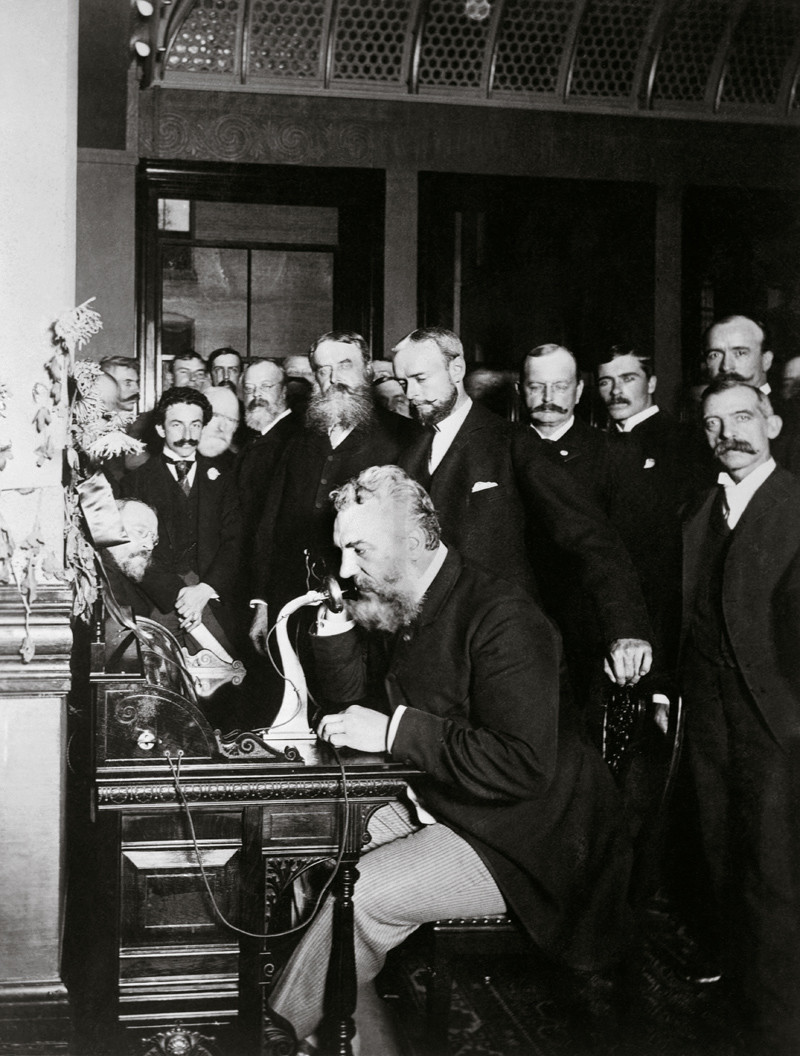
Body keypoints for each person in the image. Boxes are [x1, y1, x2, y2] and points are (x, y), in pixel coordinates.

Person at [265, 465, 634, 1053]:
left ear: (414, 542)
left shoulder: (503, 617)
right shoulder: (408, 596)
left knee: (362, 895)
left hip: (525, 837)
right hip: (448, 800)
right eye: (341, 551)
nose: (346, 570)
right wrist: (335, 630)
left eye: (360, 550)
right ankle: (339, 1017)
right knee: (308, 834)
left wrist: (394, 731)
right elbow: (349, 701)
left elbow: (522, 764)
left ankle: (276, 1034)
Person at [394, 326, 652, 688]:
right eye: (402, 382)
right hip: (433, 654)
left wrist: (625, 629)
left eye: (421, 378)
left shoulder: (514, 441)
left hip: (504, 649)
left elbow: (590, 538)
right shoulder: (406, 455)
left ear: (456, 370)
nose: (411, 393)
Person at [680, 378, 800, 1054]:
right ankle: (742, 1006)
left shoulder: (794, 504)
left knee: (774, 871)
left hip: (776, 719)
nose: (730, 433)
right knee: (721, 856)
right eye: (714, 422)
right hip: (709, 714)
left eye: (744, 417)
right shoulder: (700, 511)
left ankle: (781, 1026)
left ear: (773, 425)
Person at [249, 331, 413, 659]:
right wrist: (262, 602)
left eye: (344, 365)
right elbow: (270, 523)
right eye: (323, 370)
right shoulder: (297, 437)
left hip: (364, 601)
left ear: (368, 370)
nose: (333, 378)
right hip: (291, 597)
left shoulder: (403, 437)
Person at [596, 344, 702, 682]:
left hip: (664, 612)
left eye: (628, 378)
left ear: (652, 382)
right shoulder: (595, 445)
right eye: (606, 382)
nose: (616, 391)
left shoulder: (686, 442)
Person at [120, 387, 242, 652]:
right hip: (157, 602)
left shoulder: (225, 479)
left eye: (195, 425)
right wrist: (181, 597)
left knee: (224, 668)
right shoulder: (135, 482)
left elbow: (235, 542)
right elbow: (129, 550)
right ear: (160, 429)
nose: (187, 435)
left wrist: (205, 589)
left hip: (211, 599)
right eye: (177, 425)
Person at [704, 312, 800, 475]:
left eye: (740, 353)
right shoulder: (698, 428)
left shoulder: (794, 420)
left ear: (766, 360)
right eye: (715, 355)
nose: (726, 366)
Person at [235, 358, 300, 541]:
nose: (256, 395)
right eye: (249, 389)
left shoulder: (296, 439)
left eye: (266, 386)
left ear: (284, 391)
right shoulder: (253, 438)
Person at [198, 385, 241, 465]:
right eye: (215, 415)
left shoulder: (239, 466)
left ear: (236, 427)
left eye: (230, 419)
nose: (221, 427)